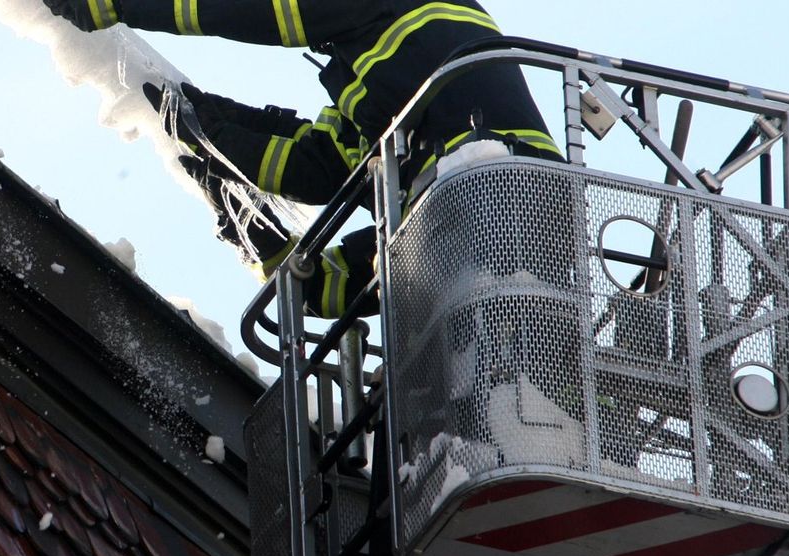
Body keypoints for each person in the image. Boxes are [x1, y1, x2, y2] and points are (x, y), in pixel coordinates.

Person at [43, 0, 564, 319]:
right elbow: (321, 167)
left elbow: (263, 8)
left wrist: (120, 1)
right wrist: (219, 129)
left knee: (511, 363)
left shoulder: (390, 8)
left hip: (508, 200)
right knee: (336, 292)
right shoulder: (384, 79)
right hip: (462, 221)